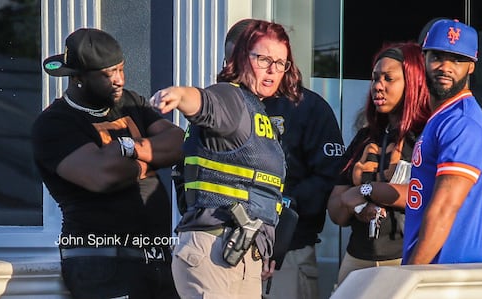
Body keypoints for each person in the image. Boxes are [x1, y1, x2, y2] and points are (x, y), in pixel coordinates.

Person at [150, 20, 301, 298]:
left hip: (242, 251)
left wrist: (263, 249)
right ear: (242, 58)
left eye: (281, 63)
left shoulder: (257, 109)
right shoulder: (229, 97)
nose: (273, 70)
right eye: (264, 59)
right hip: (212, 250)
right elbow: (203, 103)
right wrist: (178, 95)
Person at [32, 28, 184, 299]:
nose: (119, 80)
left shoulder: (131, 103)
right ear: (77, 77)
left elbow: (178, 142)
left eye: (121, 70)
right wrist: (152, 158)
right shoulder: (55, 124)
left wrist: (126, 150)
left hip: (157, 261)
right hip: (100, 264)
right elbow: (103, 176)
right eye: (107, 74)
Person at [223, 18, 346, 299]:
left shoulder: (307, 107)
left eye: (274, 61)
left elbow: (329, 177)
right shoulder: (217, 106)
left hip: (286, 254)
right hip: (221, 249)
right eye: (229, 60)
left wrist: (277, 209)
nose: (233, 68)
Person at [327, 41, 431, 284]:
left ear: (413, 82)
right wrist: (356, 206)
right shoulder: (366, 136)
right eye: (374, 78)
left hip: (403, 259)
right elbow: (336, 208)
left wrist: (366, 190)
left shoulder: (426, 135)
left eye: (388, 78)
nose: (378, 86)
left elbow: (426, 196)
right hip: (357, 259)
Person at [403, 19, 482, 264]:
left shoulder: (462, 123)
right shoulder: (444, 117)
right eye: (438, 57)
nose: (445, 67)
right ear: (423, 58)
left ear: (471, 66)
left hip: (448, 274)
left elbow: (445, 208)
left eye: (457, 59)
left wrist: (410, 276)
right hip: (438, 271)